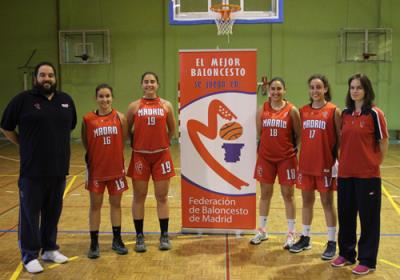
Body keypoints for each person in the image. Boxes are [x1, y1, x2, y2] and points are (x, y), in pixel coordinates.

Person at [0, 62, 76, 273]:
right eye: (43, 75)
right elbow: (6, 126)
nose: (47, 79)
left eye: (50, 75)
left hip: (59, 170)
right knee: (29, 215)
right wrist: (23, 144)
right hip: (32, 171)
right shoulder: (23, 100)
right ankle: (29, 254)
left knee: (53, 213)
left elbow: (70, 127)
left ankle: (50, 249)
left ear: (55, 78)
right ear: (36, 78)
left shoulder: (66, 101)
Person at [331, 74, 388, 275]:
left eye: (359, 87)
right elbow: (340, 141)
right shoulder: (345, 114)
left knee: (369, 219)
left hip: (368, 176)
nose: (355, 91)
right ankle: (346, 254)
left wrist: (375, 163)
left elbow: (383, 141)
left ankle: (367, 260)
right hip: (346, 174)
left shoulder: (374, 114)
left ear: (366, 90)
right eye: (352, 87)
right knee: (346, 216)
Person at [289, 74, 341, 261]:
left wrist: (338, 163)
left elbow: (340, 139)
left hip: (325, 165)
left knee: (327, 203)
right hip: (306, 165)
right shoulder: (302, 111)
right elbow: (297, 136)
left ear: (325, 89)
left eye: (319, 87)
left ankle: (332, 241)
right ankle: (305, 237)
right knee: (306, 202)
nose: (315, 91)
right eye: (312, 87)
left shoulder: (334, 111)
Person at [126, 71, 176, 252]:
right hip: (140, 156)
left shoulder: (166, 105)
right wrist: (138, 142)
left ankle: (164, 235)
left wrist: (162, 141)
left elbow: (172, 129)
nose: (149, 85)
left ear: (157, 85)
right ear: (141, 84)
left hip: (161, 155)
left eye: (152, 81)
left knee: (161, 196)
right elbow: (127, 130)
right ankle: (140, 236)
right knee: (139, 196)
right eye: (146, 82)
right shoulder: (134, 106)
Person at [251, 77, 301, 249]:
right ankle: (262, 230)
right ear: (269, 90)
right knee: (265, 194)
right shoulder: (262, 109)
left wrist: (292, 151)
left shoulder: (292, 110)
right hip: (266, 158)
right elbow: (259, 132)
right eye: (273, 89)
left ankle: (291, 233)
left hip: (286, 158)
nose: (275, 92)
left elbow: (298, 134)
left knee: (288, 195)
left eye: (279, 89)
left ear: (284, 90)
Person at [81, 84, 129, 259]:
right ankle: (94, 244)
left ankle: (117, 240)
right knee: (95, 206)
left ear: (112, 97)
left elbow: (123, 141)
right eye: (101, 96)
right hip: (96, 171)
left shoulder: (120, 118)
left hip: (116, 169)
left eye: (107, 96)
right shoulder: (88, 119)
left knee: (116, 205)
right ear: (96, 98)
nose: (104, 100)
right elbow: (86, 143)